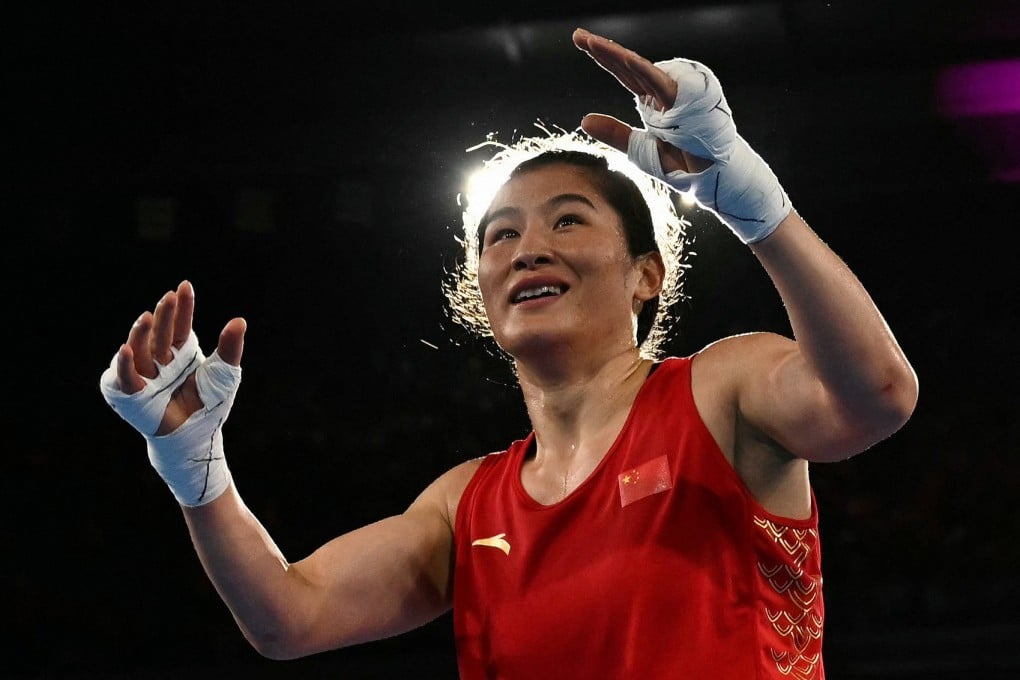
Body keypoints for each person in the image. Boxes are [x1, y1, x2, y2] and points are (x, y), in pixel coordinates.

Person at [98, 27, 918, 679]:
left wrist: (751, 199)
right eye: (502, 236)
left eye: (567, 220)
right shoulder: (465, 505)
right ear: (482, 290)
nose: (528, 249)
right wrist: (191, 463)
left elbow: (877, 394)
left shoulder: (721, 391)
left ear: (646, 274)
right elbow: (288, 617)